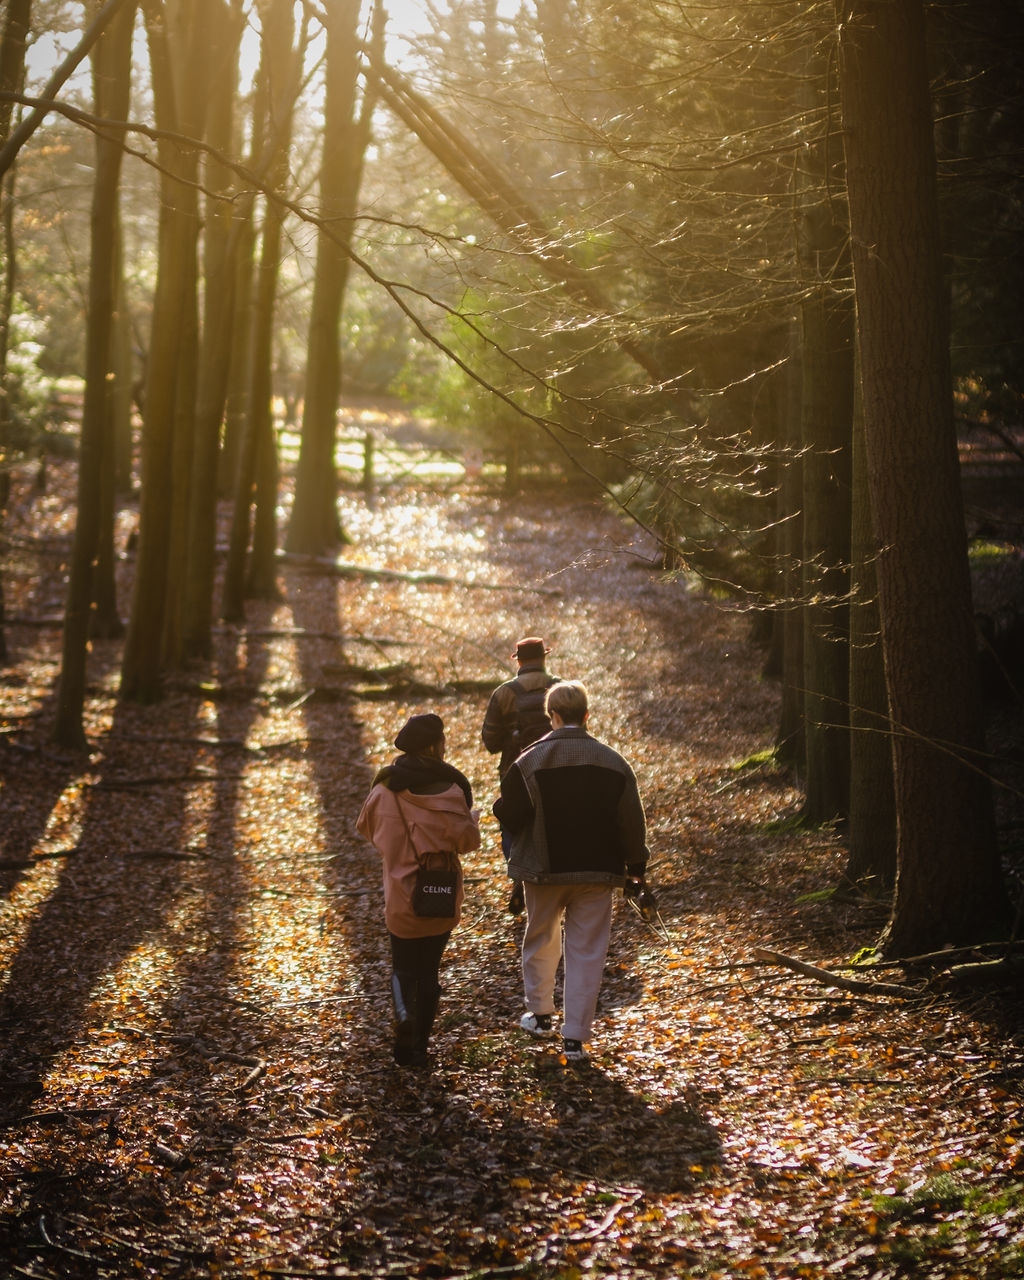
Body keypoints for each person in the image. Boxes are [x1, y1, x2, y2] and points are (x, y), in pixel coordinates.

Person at [493, 681, 649, 1063]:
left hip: (544, 870)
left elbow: (509, 815)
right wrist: (636, 868)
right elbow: (631, 820)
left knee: (541, 938)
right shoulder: (614, 762)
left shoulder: (529, 760)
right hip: (598, 872)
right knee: (587, 952)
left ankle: (541, 1014)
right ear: (587, 716)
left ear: (553, 716)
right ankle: (576, 1038)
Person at [357, 713, 480, 1068]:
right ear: (433, 746)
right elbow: (467, 843)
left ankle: (403, 1016)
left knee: (402, 966)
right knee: (429, 972)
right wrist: (470, 822)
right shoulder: (453, 789)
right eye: (442, 740)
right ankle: (420, 1049)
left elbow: (367, 829)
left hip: (400, 894)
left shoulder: (383, 789)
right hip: (439, 895)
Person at [481, 635, 562, 914]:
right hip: (556, 771)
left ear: (519, 660)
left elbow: (490, 742)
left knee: (512, 824)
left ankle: (519, 876)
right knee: (554, 824)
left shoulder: (504, 693)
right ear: (544, 658)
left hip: (515, 772)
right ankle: (553, 878)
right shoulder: (562, 689)